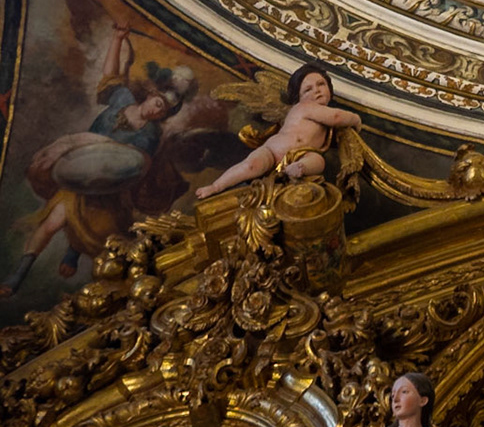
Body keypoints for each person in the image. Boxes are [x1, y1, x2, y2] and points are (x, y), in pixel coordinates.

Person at [0, 28, 198, 296]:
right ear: (150, 95)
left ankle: (73, 250)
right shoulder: (123, 99)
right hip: (79, 172)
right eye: (157, 102)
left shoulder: (150, 134)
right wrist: (116, 40)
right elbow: (110, 77)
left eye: (162, 110)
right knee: (50, 223)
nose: (155, 109)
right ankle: (18, 274)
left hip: (109, 188)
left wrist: (76, 140)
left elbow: (131, 158)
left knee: (98, 235)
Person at [195, 63, 361, 200]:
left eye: (321, 84)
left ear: (330, 90)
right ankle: (216, 186)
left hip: (302, 155)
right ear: (298, 98)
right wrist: (356, 119)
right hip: (273, 151)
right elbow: (338, 117)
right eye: (308, 89)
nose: (316, 90)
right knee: (251, 165)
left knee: (318, 161)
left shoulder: (323, 118)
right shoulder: (305, 107)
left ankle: (298, 168)